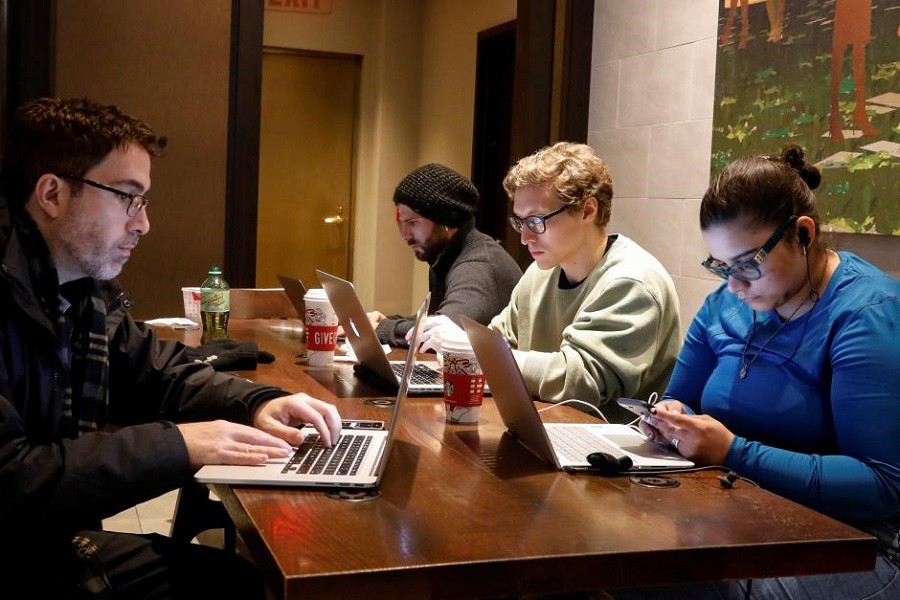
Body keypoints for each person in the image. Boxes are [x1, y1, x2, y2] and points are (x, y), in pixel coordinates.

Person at [0, 97, 342, 598]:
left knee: (239, 579)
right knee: (235, 586)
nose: (142, 224)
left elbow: (156, 371)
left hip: (37, 536)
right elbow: (12, 479)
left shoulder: (78, 292)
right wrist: (179, 444)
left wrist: (258, 401)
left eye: (144, 202)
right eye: (126, 197)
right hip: (19, 548)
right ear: (52, 193)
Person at [620, 145, 900, 599]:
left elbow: (881, 485)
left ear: (803, 234)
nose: (734, 285)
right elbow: (682, 397)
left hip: (860, 541)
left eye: (748, 264)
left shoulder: (866, 314)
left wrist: (733, 451)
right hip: (744, 505)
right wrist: (672, 417)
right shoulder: (724, 306)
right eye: (721, 266)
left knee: (687, 585)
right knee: (618, 552)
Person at [416, 142, 681, 423]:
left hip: (608, 453)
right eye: (520, 222)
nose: (525, 238)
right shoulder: (540, 273)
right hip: (549, 431)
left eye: (537, 221)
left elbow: (581, 383)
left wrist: (476, 349)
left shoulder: (632, 282)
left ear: (588, 211)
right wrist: (465, 347)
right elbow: (501, 339)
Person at [367, 163, 522, 347]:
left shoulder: (477, 266)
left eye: (413, 222)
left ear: (447, 220)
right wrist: (388, 322)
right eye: (402, 223)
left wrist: (382, 328)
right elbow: (437, 322)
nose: (405, 235)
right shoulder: (449, 255)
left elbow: (442, 334)